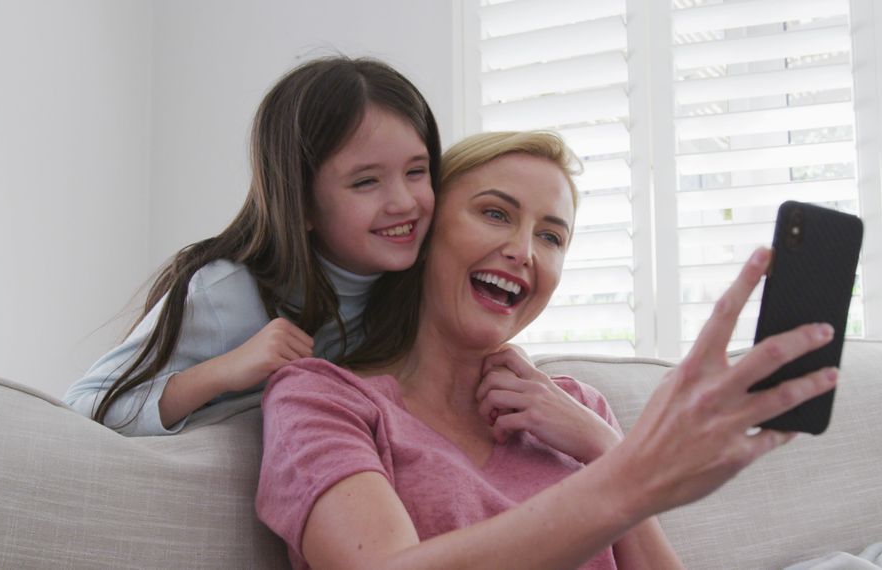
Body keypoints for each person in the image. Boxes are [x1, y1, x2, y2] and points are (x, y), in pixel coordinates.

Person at [256, 131, 839, 569]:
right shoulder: (320, 398)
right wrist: (630, 474)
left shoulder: (580, 412)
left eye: (550, 235)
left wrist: (604, 446)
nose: (523, 250)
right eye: (494, 214)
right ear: (425, 232)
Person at [63, 56, 441, 436]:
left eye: (416, 172)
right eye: (366, 182)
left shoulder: (429, 285)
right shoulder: (226, 292)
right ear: (301, 201)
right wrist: (223, 371)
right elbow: (82, 410)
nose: (405, 202)